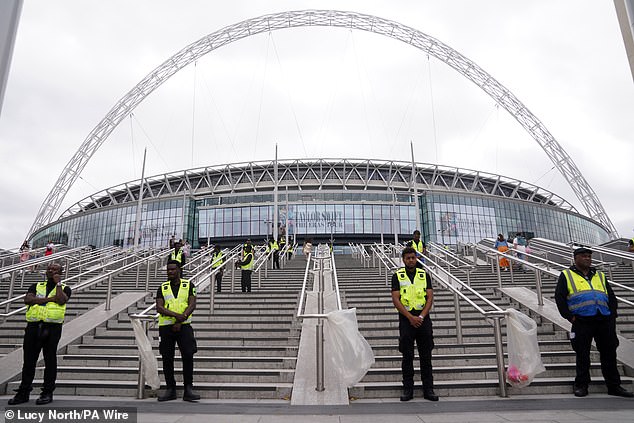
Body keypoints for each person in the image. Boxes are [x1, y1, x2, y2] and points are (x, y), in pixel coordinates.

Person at [554, 247, 633, 398]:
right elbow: (560, 297)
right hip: (582, 320)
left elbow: (611, 296)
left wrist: (612, 315)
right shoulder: (567, 275)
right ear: (575, 258)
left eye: (589, 256)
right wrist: (570, 317)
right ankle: (581, 385)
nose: (588, 259)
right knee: (582, 354)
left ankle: (614, 386)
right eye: (584, 256)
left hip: (604, 319)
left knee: (609, 353)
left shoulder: (600, 275)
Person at [8, 263, 71, 405]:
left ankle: (47, 393)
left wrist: (58, 284)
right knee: (29, 360)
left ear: (61, 272)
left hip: (52, 328)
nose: (51, 270)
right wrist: (49, 299)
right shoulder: (36, 286)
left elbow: (61, 300)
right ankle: (23, 392)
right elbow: (28, 300)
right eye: (49, 268)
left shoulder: (65, 287)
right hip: (34, 326)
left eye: (55, 269)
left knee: (50, 360)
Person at [391, 247, 438, 402]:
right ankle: (408, 389)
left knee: (426, 356)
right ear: (403, 259)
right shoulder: (397, 276)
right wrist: (410, 317)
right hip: (406, 320)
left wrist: (421, 316)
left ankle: (428, 389)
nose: (411, 260)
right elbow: (396, 299)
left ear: (416, 258)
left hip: (423, 320)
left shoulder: (424, 275)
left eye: (413, 257)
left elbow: (430, 297)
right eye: (408, 258)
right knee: (407, 356)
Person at [156, 260, 200, 402]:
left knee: (188, 355)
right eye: (168, 270)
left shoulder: (189, 285)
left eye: (173, 269)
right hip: (166, 327)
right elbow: (159, 307)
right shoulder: (162, 287)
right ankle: (171, 389)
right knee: (167, 357)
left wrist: (181, 320)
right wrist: (176, 317)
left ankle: (188, 388)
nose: (170, 272)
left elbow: (192, 304)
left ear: (179, 270)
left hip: (184, 326)